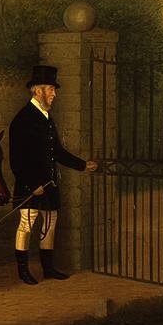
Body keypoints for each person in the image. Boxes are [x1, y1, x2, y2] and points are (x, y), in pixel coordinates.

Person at [9, 65, 98, 284]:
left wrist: (82, 165)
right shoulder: (22, 119)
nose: (54, 94)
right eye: (51, 89)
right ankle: (23, 271)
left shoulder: (47, 117)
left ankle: (48, 268)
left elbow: (56, 151)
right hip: (31, 187)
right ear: (38, 90)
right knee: (26, 225)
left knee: (50, 224)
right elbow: (16, 160)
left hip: (49, 185)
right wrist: (32, 185)